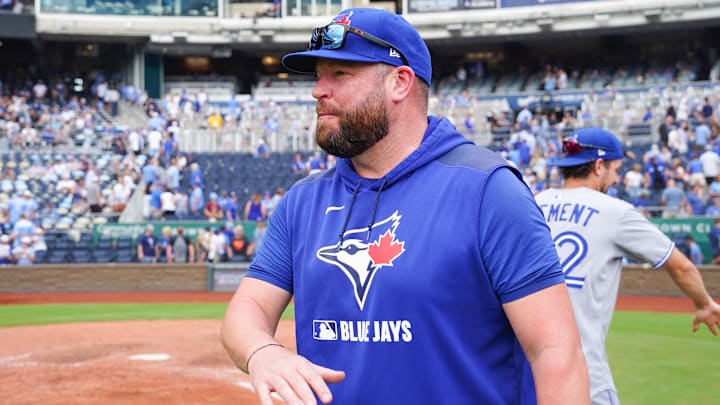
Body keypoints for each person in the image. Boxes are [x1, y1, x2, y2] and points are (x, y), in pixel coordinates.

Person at [221, 8, 589, 405]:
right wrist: (263, 353)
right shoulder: (303, 201)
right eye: (318, 75)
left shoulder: (487, 190)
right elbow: (248, 308)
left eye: (340, 74)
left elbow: (556, 353)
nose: (318, 90)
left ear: (400, 82)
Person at [534, 127, 720, 405]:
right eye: (616, 170)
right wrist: (704, 303)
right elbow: (681, 267)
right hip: (584, 375)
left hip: (531, 374)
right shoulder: (615, 211)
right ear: (599, 166)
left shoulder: (534, 203)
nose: (617, 177)